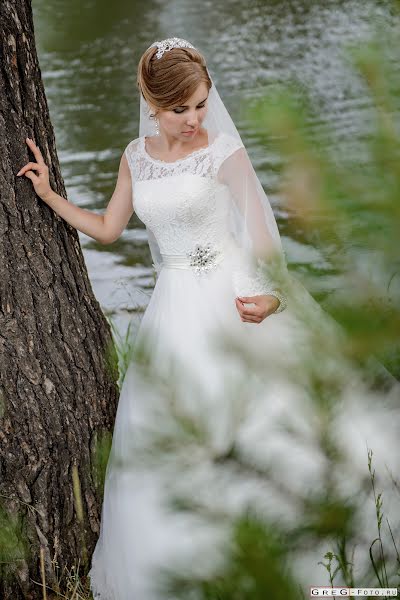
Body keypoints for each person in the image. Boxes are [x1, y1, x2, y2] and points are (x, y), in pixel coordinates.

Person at [16, 38, 398, 599]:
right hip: (172, 309)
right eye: (179, 110)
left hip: (231, 298)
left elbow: (262, 233)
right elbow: (107, 229)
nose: (194, 120)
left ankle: (305, 557)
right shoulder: (134, 156)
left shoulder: (223, 153)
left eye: (200, 104)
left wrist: (273, 296)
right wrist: (49, 194)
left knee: (260, 423)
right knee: (176, 431)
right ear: (151, 102)